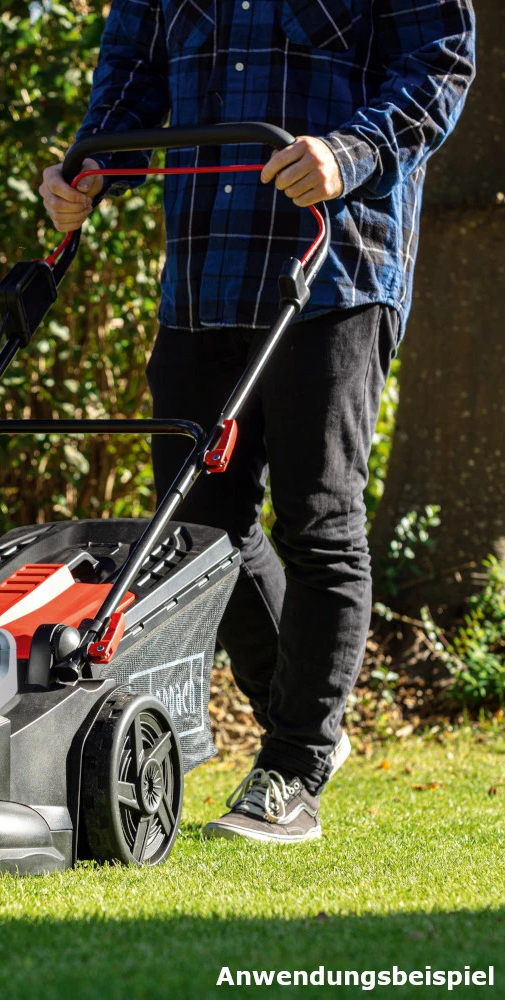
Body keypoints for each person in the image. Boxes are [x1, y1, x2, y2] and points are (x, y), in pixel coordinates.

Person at [40, 0, 476, 842]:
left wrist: (349, 153)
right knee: (197, 531)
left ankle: (291, 768)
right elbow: (133, 73)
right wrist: (89, 165)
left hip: (337, 267)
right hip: (203, 279)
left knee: (320, 520)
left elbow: (440, 65)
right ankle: (307, 718)